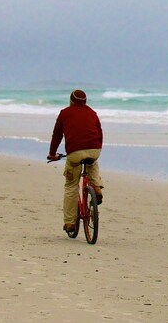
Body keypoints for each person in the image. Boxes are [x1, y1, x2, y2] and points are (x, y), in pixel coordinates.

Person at [47, 89, 104, 232]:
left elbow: (57, 135)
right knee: (93, 162)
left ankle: (70, 223)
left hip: (75, 153)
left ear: (71, 101)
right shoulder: (92, 113)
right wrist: (97, 148)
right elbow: (100, 133)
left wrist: (52, 154)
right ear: (85, 101)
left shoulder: (65, 113)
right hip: (95, 149)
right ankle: (96, 186)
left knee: (71, 186)